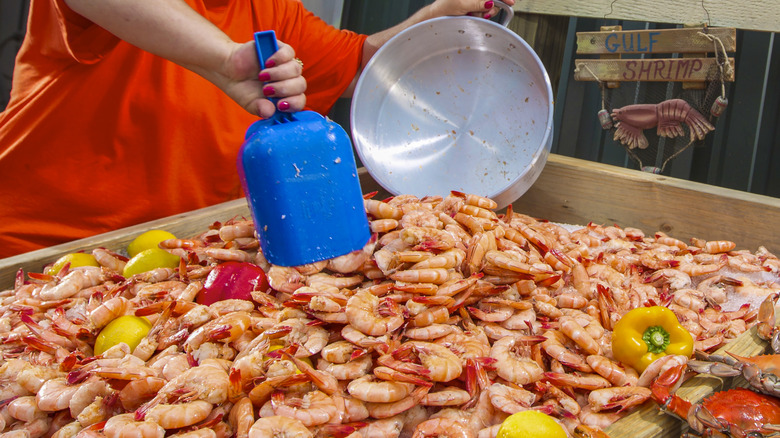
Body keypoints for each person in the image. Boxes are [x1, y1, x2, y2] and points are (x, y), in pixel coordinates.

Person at [0, 0, 514, 258]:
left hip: (185, 252)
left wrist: (435, 17)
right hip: (44, 253)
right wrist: (224, 59)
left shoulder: (266, 7)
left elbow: (359, 65)